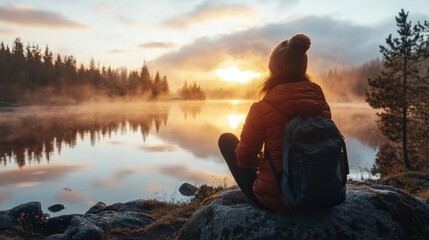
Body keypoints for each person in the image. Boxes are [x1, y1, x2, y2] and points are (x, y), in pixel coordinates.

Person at [218, 33, 331, 212]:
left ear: (273, 71)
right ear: (303, 70)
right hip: (325, 194)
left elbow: (244, 159)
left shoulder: (263, 108)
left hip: (280, 199)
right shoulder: (319, 101)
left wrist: (263, 162)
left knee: (226, 140)